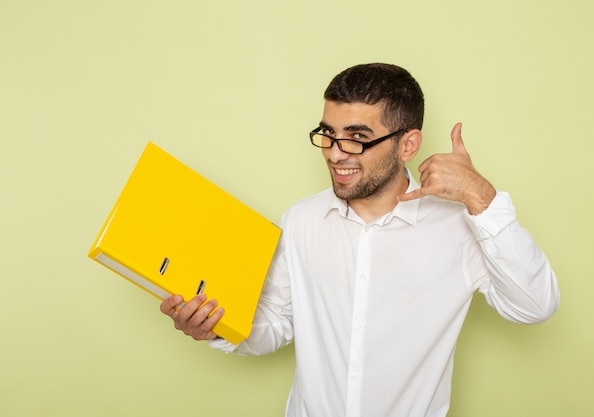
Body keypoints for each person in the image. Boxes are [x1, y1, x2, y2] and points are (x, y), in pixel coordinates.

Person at [160, 63, 560, 417]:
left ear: (408, 144)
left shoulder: (460, 226)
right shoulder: (301, 220)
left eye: (357, 137)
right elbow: (277, 324)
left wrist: (481, 197)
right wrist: (217, 328)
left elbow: (534, 306)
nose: (335, 154)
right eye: (328, 134)